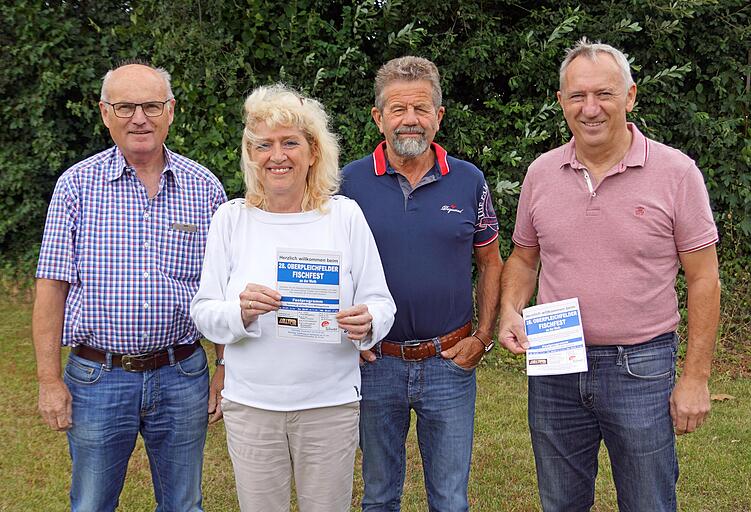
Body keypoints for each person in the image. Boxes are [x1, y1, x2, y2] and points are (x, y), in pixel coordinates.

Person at [498, 38, 721, 512]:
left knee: (648, 502)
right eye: (577, 96)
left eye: (604, 94)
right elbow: (523, 258)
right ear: (561, 102)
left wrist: (696, 377)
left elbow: (704, 278)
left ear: (631, 96)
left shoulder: (677, 173)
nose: (591, 108)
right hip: (557, 365)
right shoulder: (541, 173)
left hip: (640, 365)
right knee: (560, 502)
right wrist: (510, 310)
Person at [190, 83, 395, 512]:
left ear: (313, 151)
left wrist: (368, 323)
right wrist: (240, 313)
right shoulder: (231, 219)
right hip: (252, 405)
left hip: (329, 403)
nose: (276, 155)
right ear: (250, 154)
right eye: (263, 144)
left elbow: (381, 301)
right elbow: (205, 313)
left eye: (290, 143)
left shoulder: (344, 215)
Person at [32, 61, 227, 511]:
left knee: (183, 504)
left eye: (152, 106)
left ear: (171, 111)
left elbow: (221, 287)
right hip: (97, 377)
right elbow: (51, 289)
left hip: (182, 374)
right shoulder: (76, 186)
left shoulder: (205, 189)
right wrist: (48, 380)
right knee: (92, 504)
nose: (139, 118)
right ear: (105, 113)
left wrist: (223, 365)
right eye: (125, 107)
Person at [341, 56, 504, 511]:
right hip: (375, 363)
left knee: (450, 500)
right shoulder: (346, 183)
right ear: (378, 118)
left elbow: (491, 262)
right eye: (397, 109)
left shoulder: (470, 181)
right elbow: (326, 265)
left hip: (449, 362)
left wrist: (483, 337)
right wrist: (346, 338)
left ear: (438, 116)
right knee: (378, 496)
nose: (409, 119)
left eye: (420, 108)